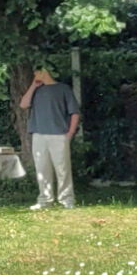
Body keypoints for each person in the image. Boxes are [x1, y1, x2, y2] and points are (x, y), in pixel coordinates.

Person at [20, 67, 80, 210]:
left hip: (59, 134)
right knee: (42, 168)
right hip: (38, 135)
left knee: (62, 168)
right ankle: (44, 200)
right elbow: (23, 104)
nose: (34, 74)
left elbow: (75, 112)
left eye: (36, 71)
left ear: (45, 71)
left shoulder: (63, 89)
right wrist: (33, 86)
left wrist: (70, 133)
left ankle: (67, 199)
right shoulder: (36, 90)